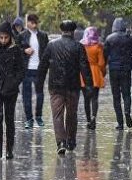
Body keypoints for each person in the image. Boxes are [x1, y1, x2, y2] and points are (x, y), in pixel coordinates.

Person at [36, 20, 93, 155]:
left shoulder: (51, 45)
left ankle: (60, 142)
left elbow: (43, 66)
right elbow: (84, 67)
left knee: (57, 114)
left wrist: (39, 84)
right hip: (73, 86)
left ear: (62, 31)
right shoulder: (78, 47)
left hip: (55, 85)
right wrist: (89, 85)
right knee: (71, 114)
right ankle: (71, 140)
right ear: (73, 31)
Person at [0, 21, 25, 159]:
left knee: (9, 118)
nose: (3, 40)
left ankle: (9, 149)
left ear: (10, 37)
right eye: (1, 37)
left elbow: (21, 70)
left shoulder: (16, 50)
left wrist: (14, 82)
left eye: (5, 37)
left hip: (10, 88)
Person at [104, 17, 132, 130]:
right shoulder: (131, 39)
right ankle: (127, 111)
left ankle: (120, 123)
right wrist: (130, 62)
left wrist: (108, 63)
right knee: (126, 94)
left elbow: (104, 55)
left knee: (116, 96)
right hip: (126, 69)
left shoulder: (109, 38)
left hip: (113, 70)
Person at [19, 14, 49, 129]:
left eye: (30, 22)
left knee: (40, 94)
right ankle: (29, 119)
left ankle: (39, 116)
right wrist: (24, 50)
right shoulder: (22, 35)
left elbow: (47, 52)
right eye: (28, 22)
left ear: (35, 23)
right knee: (26, 95)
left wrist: (46, 66)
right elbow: (16, 50)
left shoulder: (43, 36)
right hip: (26, 69)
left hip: (39, 69)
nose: (28, 24)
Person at [80, 27, 106, 130]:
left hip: (83, 74)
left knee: (86, 99)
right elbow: (101, 63)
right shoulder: (98, 47)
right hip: (95, 73)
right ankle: (94, 117)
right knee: (95, 98)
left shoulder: (82, 46)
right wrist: (102, 73)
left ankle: (87, 120)